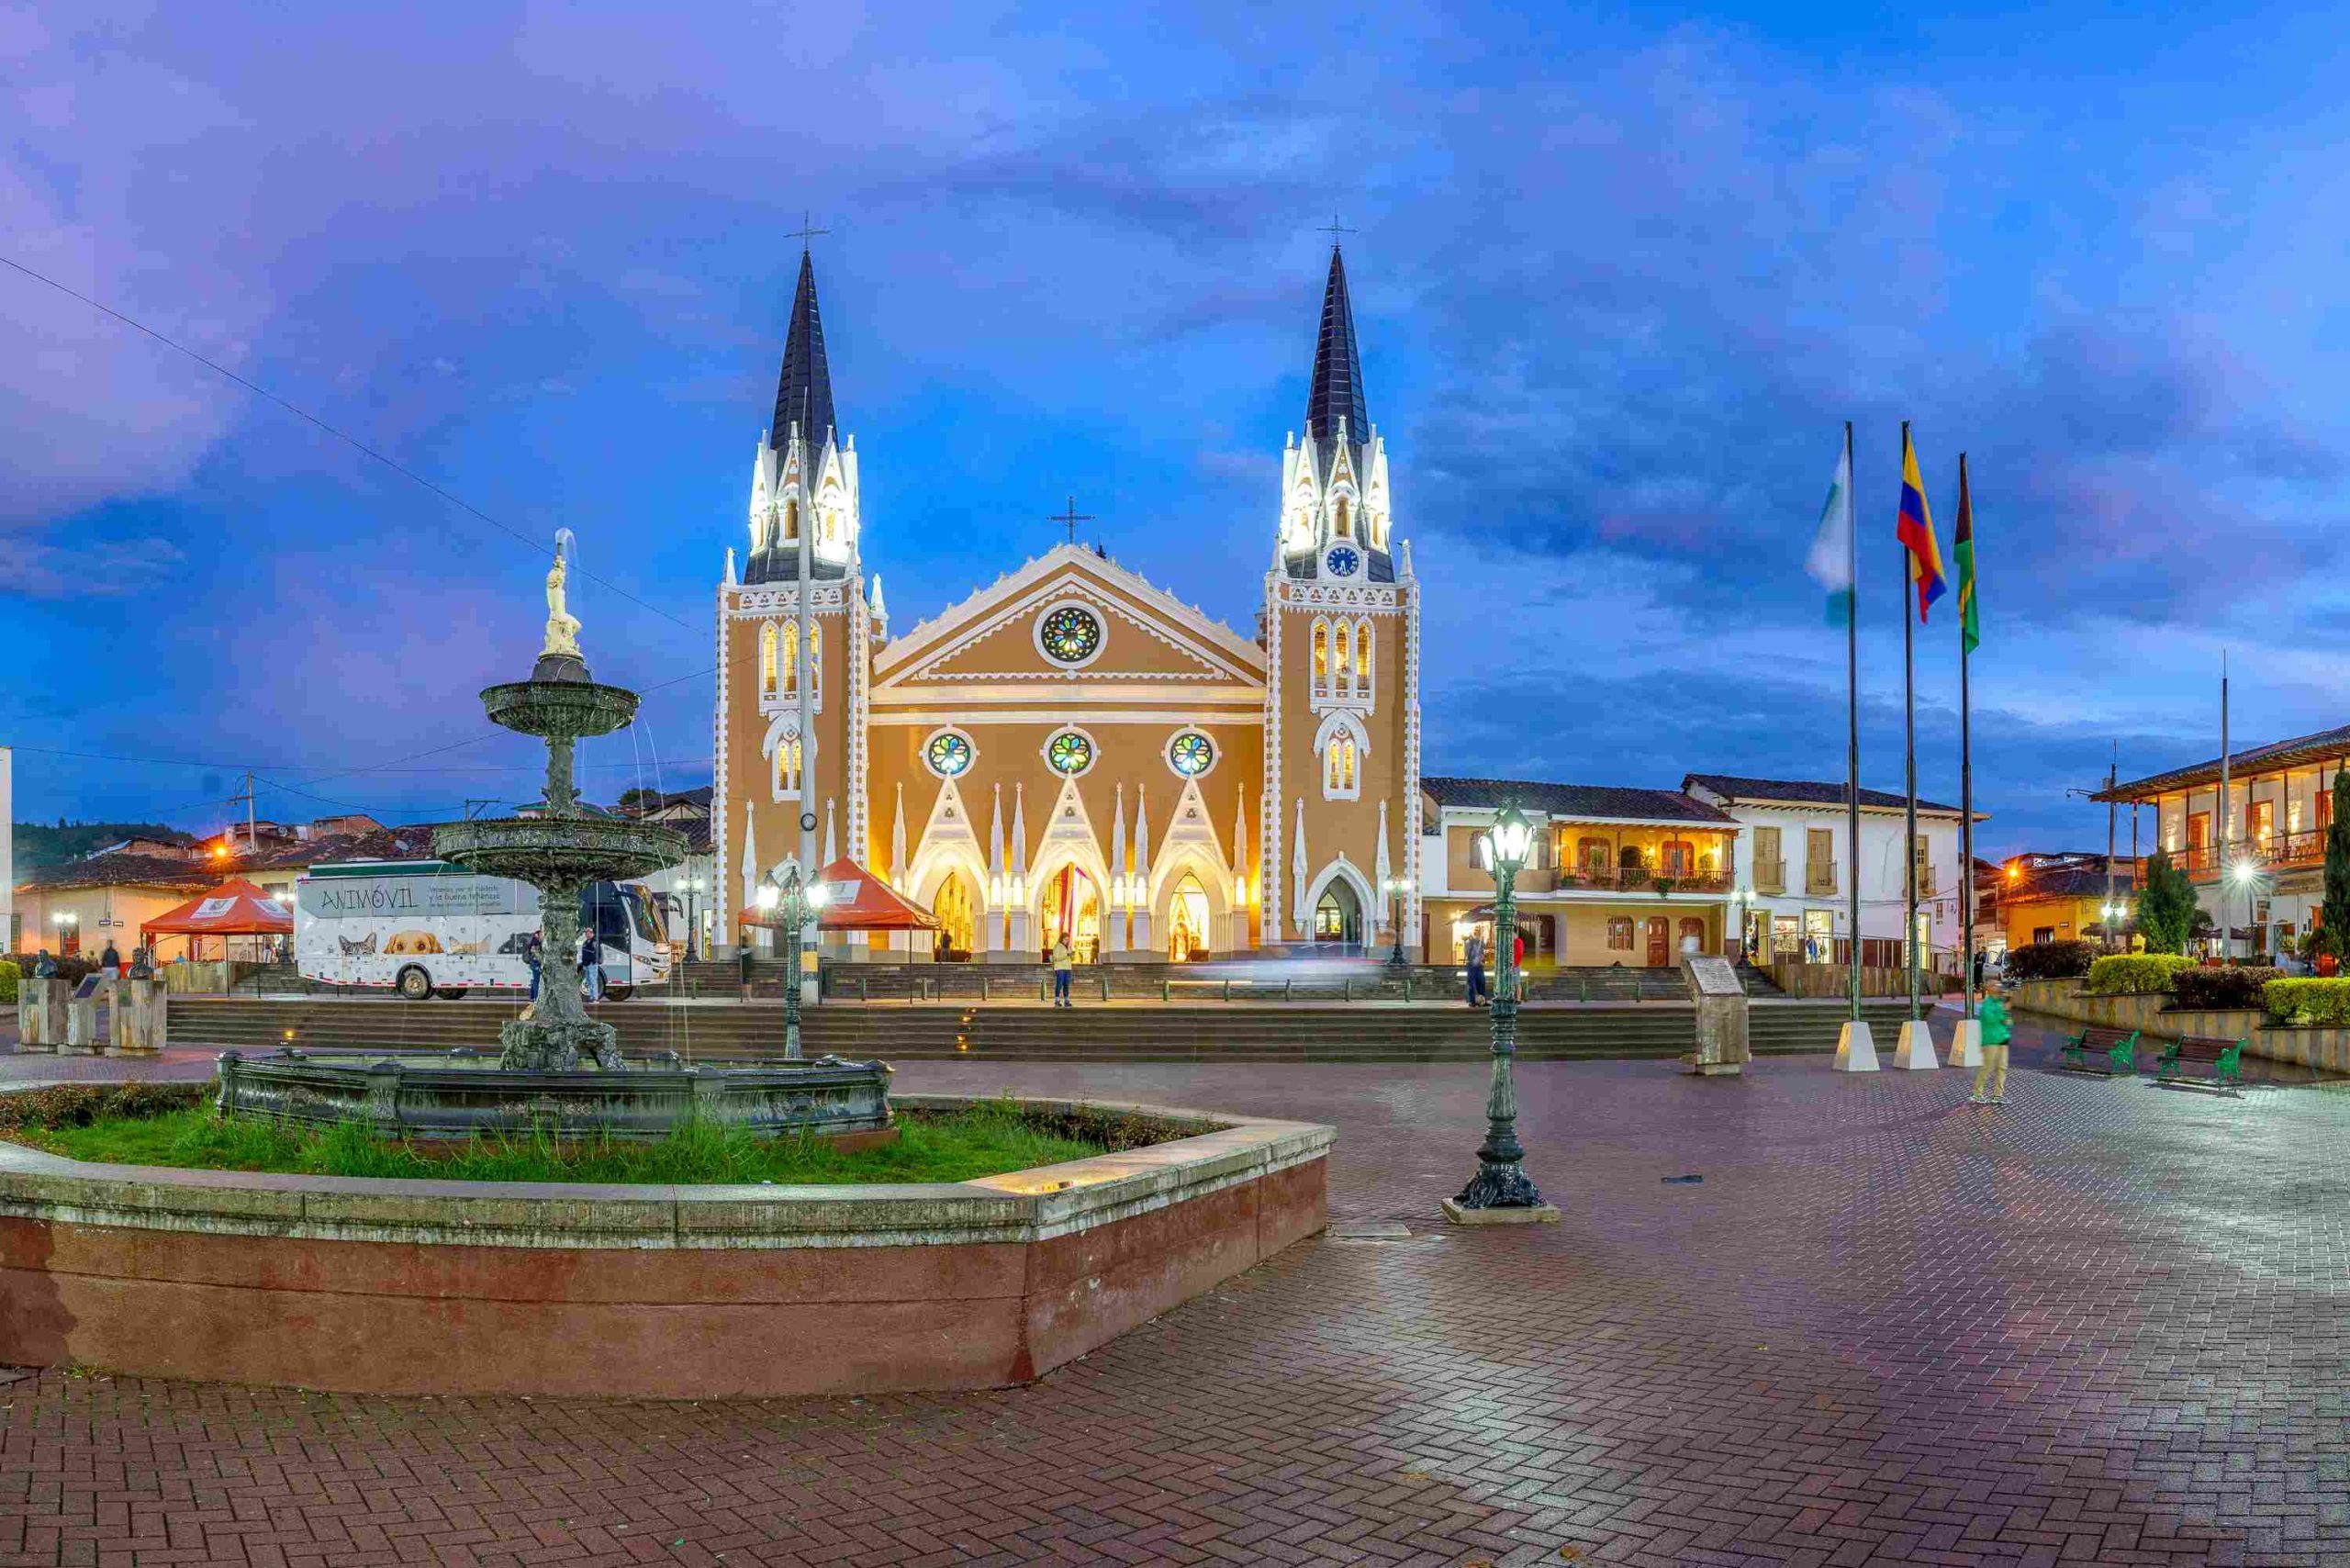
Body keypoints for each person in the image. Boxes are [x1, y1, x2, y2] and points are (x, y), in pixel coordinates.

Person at [1970, 991, 2012, 1104]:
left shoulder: (2000, 1003)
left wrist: (2006, 1014)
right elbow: (1990, 1019)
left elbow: (2007, 1022)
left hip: (2002, 1039)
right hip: (1991, 1040)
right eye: (1996, 987)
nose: (1999, 990)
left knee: (2002, 1067)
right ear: (1990, 989)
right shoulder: (1986, 1004)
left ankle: (1998, 1095)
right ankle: (1977, 1094)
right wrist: (2002, 1011)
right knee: (1988, 1067)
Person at [578, 928, 605, 1003]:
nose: (586, 935)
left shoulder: (595, 942)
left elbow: (596, 953)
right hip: (586, 964)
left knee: (593, 981)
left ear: (591, 933)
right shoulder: (586, 942)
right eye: (586, 933)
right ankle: (591, 997)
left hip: (592, 964)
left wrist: (593, 961)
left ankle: (595, 998)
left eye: (588, 933)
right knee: (589, 981)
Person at [1050, 935, 1074, 1007]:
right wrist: (1067, 955)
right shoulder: (1057, 946)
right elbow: (1056, 958)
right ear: (1062, 939)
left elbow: (1071, 958)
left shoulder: (1068, 947)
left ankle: (1066, 1000)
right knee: (1059, 984)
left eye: (1068, 939)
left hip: (1068, 968)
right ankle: (1057, 1000)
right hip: (1060, 968)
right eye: (1066, 939)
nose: (1067, 941)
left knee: (1066, 985)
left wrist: (1071, 953)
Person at [1464, 933, 1486, 1007]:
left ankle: (1482, 1000)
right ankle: (1472, 1001)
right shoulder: (1469, 943)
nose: (1478, 937)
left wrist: (1482, 958)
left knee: (1481, 983)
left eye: (1479, 935)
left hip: (1479, 966)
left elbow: (1483, 953)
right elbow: (1468, 954)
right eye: (1476, 935)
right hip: (1471, 966)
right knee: (1472, 985)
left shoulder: (1481, 943)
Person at [523, 933, 544, 1002]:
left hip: (533, 964)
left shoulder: (534, 942)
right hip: (535, 964)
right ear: (537, 935)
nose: (543, 936)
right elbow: (536, 956)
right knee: (536, 981)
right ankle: (536, 997)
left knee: (535, 980)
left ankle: (532, 996)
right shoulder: (536, 943)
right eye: (541, 934)